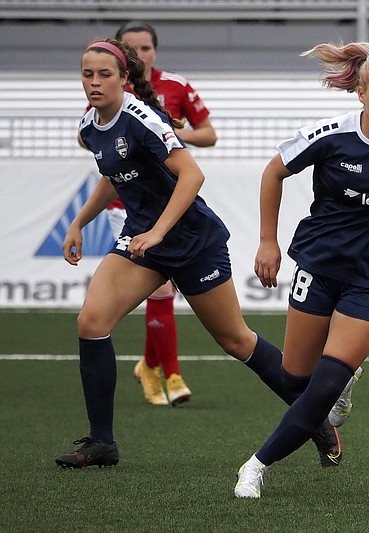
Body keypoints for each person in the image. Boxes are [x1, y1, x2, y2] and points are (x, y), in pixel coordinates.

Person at [55, 38, 283, 468]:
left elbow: (192, 174)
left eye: (105, 74)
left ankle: (313, 415)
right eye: (88, 74)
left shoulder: (142, 117)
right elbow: (114, 175)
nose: (94, 82)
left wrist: (159, 231)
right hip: (144, 242)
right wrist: (78, 222)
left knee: (236, 340)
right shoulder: (89, 125)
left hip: (191, 240)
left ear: (125, 78)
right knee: (91, 321)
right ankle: (102, 443)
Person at [234, 41, 369, 498]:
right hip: (319, 263)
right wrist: (267, 241)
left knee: (323, 388)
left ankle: (255, 466)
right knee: (294, 375)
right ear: (362, 92)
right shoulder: (329, 135)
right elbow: (274, 173)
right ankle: (340, 381)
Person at [111, 21, 218, 407]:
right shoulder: (109, 86)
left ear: (155, 51)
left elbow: (208, 134)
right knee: (160, 289)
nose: (140, 55)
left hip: (169, 206)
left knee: (165, 290)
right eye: (131, 49)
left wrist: (173, 135)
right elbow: (87, 132)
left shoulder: (175, 86)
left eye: (146, 48)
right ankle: (170, 375)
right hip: (124, 206)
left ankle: (149, 366)